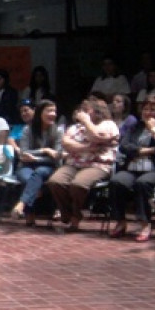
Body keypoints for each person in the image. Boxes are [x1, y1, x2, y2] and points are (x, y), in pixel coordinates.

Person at [108, 95, 155, 242]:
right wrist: (147, 151)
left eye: (153, 109)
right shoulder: (136, 126)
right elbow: (124, 145)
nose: (148, 112)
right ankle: (120, 222)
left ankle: (145, 224)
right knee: (117, 181)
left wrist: (154, 130)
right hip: (134, 168)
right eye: (146, 109)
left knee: (142, 183)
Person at [46, 98, 120, 233]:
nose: (82, 113)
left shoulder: (108, 124)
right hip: (74, 163)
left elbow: (98, 136)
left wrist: (87, 122)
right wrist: (87, 148)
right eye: (82, 110)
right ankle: (67, 212)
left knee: (78, 185)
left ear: (98, 112)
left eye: (86, 110)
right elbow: (66, 143)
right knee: (55, 181)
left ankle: (75, 214)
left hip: (98, 164)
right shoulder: (74, 127)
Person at [10, 100, 62, 224]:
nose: (53, 114)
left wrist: (37, 158)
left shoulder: (58, 131)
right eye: (49, 111)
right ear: (39, 113)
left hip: (47, 166)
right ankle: (35, 197)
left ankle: (22, 206)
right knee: (30, 179)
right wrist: (45, 150)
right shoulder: (28, 130)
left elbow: (57, 155)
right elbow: (23, 152)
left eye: (54, 111)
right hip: (26, 166)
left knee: (39, 172)